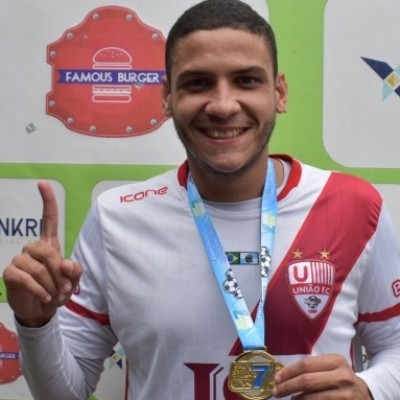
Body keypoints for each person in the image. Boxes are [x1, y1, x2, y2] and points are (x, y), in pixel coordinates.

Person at [4, 0, 400, 399]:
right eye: (198, 83)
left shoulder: (353, 206)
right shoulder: (116, 218)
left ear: (279, 93)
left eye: (246, 81)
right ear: (167, 96)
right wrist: (35, 323)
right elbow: (64, 393)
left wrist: (369, 389)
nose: (223, 105)